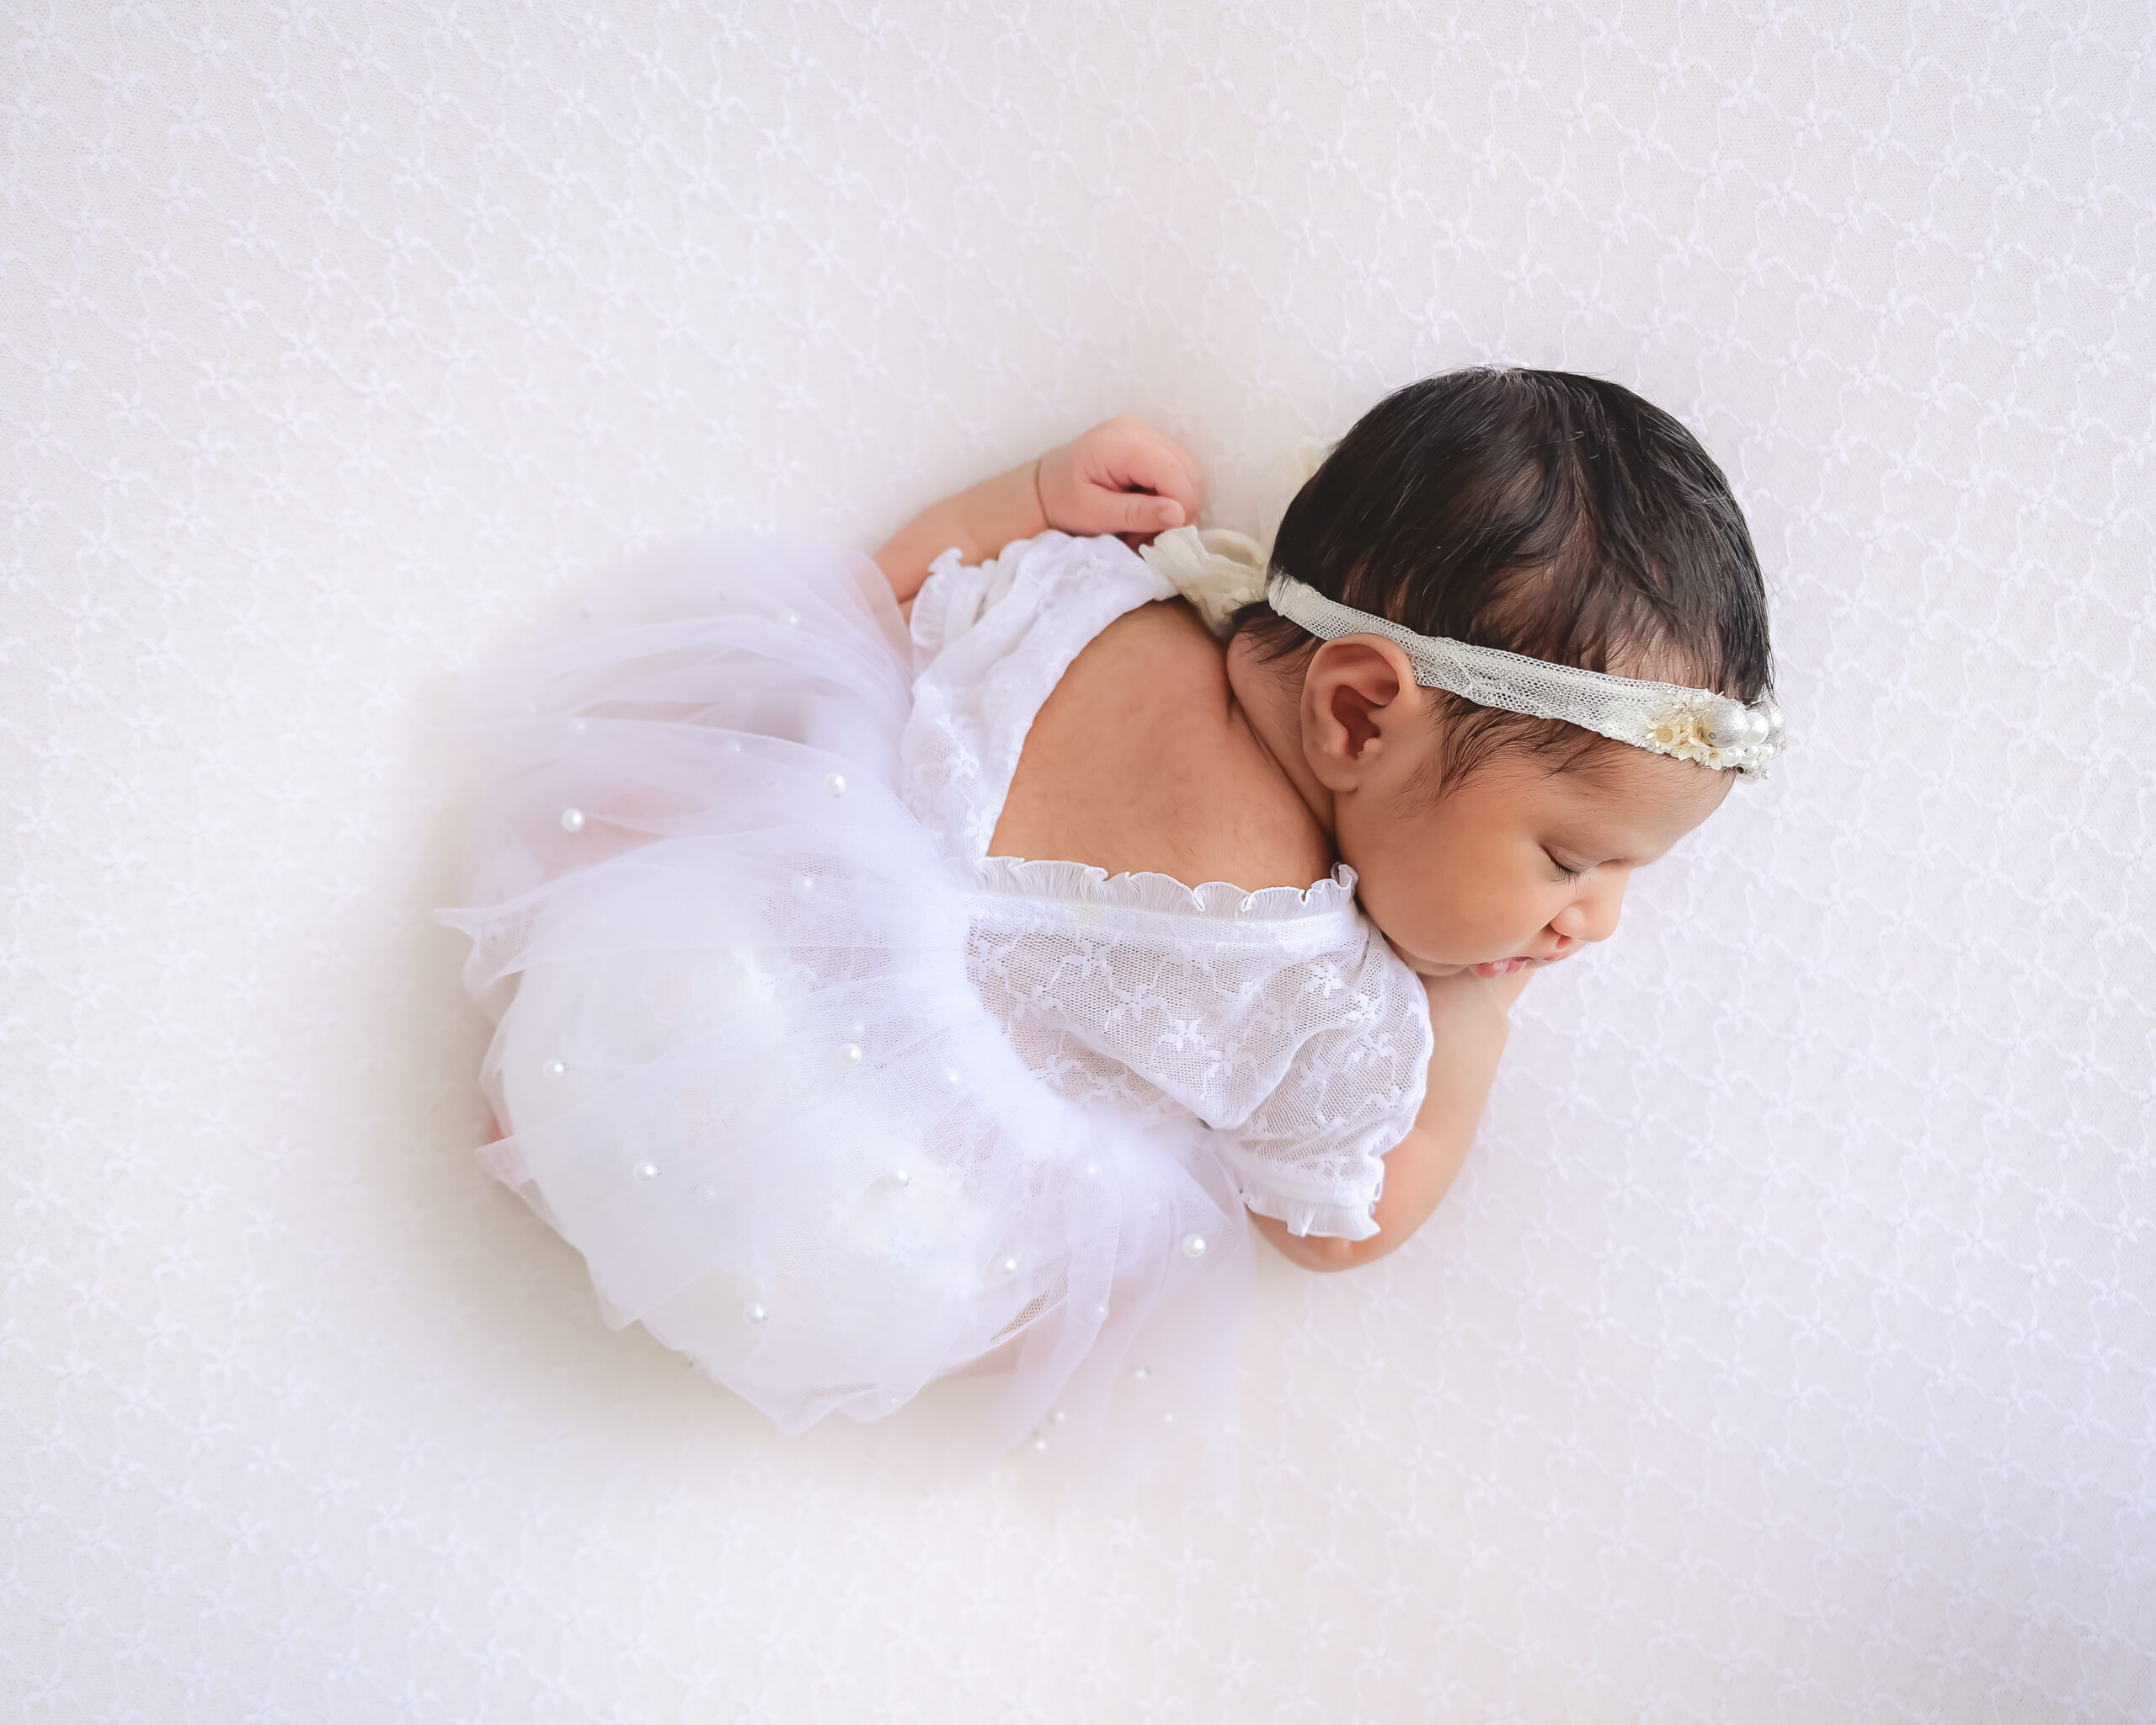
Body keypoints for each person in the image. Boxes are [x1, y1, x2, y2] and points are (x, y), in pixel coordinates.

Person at [438, 367, 1783, 1471]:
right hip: (833, 1202)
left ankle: (553, 1108)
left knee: (727, 847)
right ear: (1359, 711)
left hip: (676, 953)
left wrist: (1023, 496)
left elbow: (884, 601)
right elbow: (1340, 1227)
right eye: (1568, 860)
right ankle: (601, 1184)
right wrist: (1475, 1013)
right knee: (922, 1261)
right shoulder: (1319, 999)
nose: (1592, 921)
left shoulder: (1092, 596)